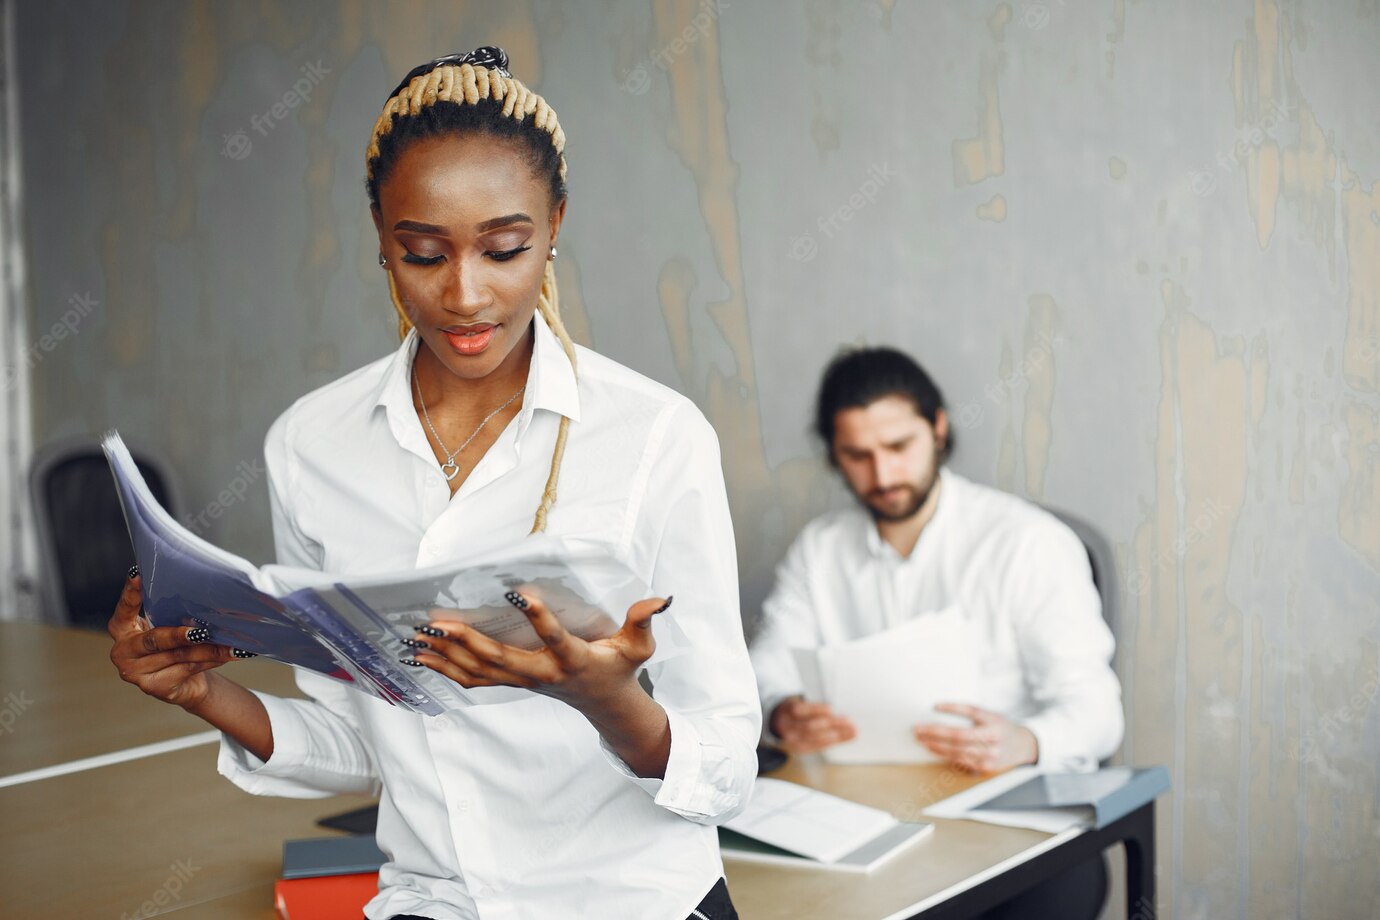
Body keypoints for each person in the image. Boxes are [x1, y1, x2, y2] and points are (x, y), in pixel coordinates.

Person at [108, 47, 757, 920]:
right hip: (433, 904)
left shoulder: (654, 437)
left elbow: (725, 768)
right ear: (380, 236)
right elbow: (366, 737)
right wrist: (202, 691)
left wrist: (606, 703)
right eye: (423, 253)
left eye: (505, 249)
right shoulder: (311, 444)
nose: (465, 294)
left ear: (555, 224)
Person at [749, 346, 1123, 920]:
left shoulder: (1028, 543)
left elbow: (1098, 713)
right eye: (857, 456)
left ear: (939, 429)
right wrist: (781, 711)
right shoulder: (820, 549)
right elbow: (766, 665)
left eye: (899, 447)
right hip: (859, 818)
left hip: (1001, 821)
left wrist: (1025, 742)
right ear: (834, 456)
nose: (883, 476)